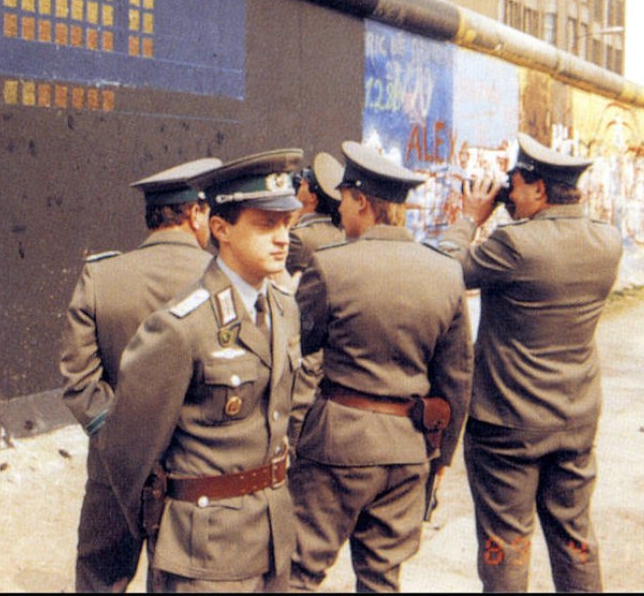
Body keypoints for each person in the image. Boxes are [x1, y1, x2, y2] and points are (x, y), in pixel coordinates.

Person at [99, 149, 306, 592]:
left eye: (287, 223)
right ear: (220, 228)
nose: (283, 238)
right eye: (266, 224)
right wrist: (163, 533)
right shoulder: (181, 326)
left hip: (272, 537)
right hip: (205, 554)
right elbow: (127, 449)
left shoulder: (284, 308)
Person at [438, 132, 623, 593]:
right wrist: (510, 210)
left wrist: (468, 219)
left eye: (514, 185)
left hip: (508, 426)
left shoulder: (515, 245)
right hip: (575, 419)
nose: (508, 195)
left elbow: (443, 272)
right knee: (575, 541)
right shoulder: (607, 241)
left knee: (507, 548)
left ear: (539, 190)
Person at [290, 141, 473, 592]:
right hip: (409, 450)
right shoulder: (445, 272)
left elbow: (295, 347)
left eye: (345, 200)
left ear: (361, 201)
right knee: (382, 579)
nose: (342, 209)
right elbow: (457, 377)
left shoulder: (331, 266)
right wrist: (442, 456)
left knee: (299, 571)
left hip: (337, 445)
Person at [60, 156, 222, 593]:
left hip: (113, 469)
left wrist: (119, 439)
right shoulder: (223, 280)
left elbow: (78, 381)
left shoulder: (102, 275)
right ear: (196, 213)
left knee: (99, 579)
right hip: (198, 470)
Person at [284, 152, 345, 445]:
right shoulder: (341, 233)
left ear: (312, 198)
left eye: (304, 182)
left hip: (304, 335)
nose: (298, 185)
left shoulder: (299, 238)